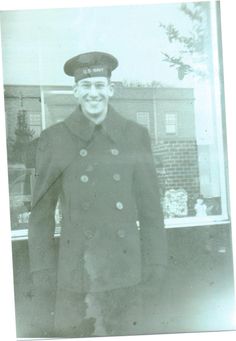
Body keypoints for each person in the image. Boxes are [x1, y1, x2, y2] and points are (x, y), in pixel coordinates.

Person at [28, 51, 167, 337]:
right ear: (76, 91)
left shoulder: (134, 135)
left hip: (125, 271)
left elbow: (151, 209)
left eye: (100, 85)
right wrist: (41, 269)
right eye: (87, 86)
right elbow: (41, 214)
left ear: (110, 89)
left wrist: (156, 261)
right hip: (77, 273)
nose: (94, 93)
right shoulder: (55, 139)